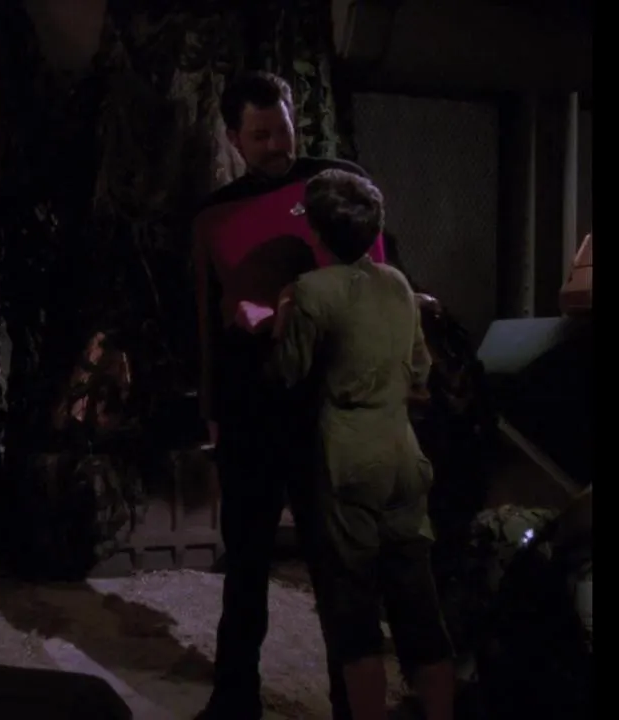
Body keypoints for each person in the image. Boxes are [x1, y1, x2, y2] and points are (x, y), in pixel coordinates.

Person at [192, 70, 386, 720]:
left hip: (327, 406)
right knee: (245, 565)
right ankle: (234, 699)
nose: (277, 145)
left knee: (339, 569)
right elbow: (207, 321)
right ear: (233, 138)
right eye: (260, 135)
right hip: (250, 411)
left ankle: (351, 705)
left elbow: (380, 283)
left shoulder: (337, 182)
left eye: (283, 129)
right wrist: (212, 413)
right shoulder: (213, 216)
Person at [265, 169, 455, 720]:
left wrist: (281, 319)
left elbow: (285, 375)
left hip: (346, 461)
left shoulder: (311, 291)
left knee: (354, 616)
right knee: (418, 604)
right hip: (402, 453)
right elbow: (419, 369)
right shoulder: (397, 285)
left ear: (317, 232)